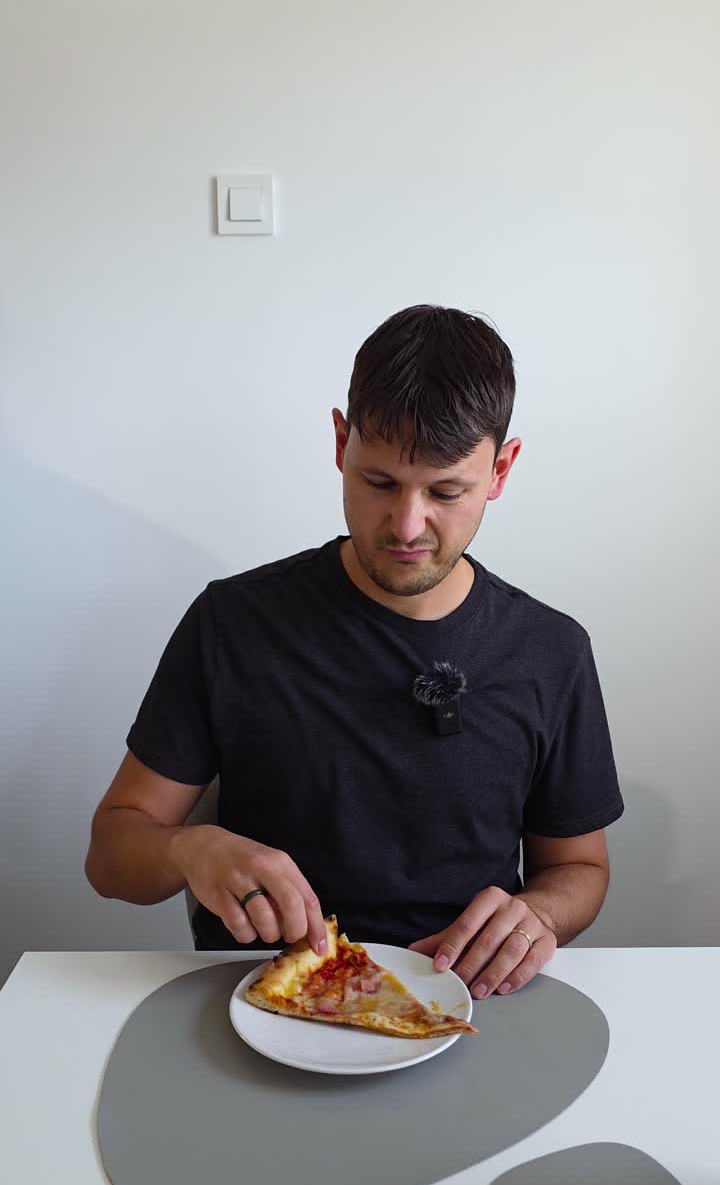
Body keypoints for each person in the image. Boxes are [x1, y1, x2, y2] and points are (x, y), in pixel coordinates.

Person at [86, 305, 624, 1000]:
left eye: (446, 491)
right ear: (340, 442)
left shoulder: (551, 650)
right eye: (379, 483)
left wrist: (539, 914)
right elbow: (111, 854)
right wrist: (189, 847)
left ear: (502, 468)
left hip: (469, 1002)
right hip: (266, 1000)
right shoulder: (234, 622)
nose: (406, 525)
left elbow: (581, 868)